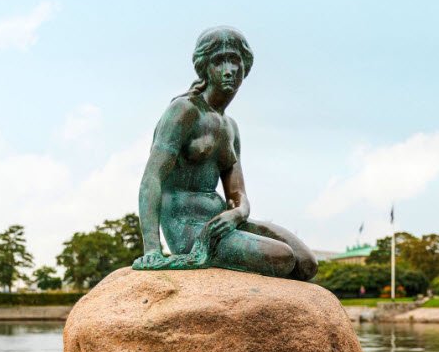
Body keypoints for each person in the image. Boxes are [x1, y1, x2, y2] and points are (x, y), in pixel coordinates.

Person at [133, 27, 317, 281]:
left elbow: (237, 195)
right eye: (219, 61)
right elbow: (151, 178)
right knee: (282, 258)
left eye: (235, 61)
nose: (229, 70)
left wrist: (237, 214)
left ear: (245, 68)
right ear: (204, 67)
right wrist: (152, 249)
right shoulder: (184, 111)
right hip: (189, 229)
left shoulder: (230, 127)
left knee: (306, 262)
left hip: (224, 223)